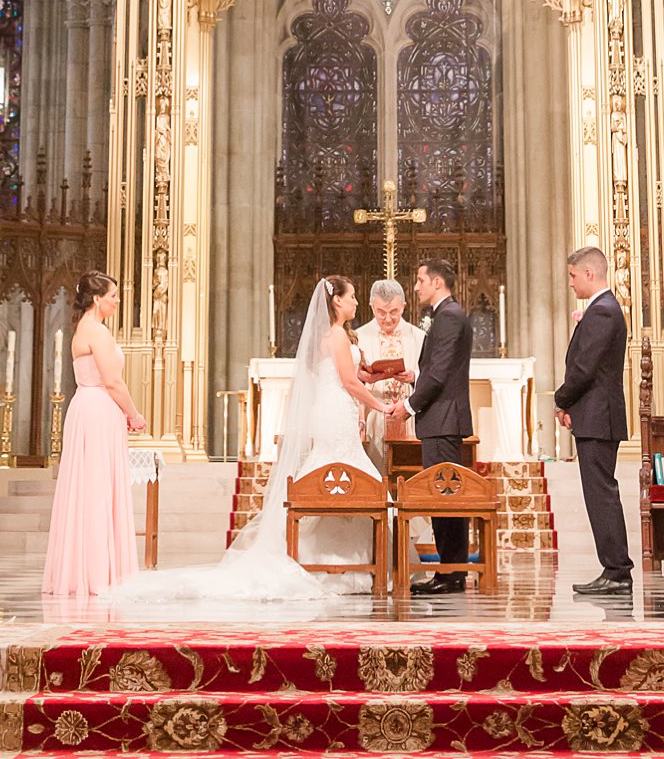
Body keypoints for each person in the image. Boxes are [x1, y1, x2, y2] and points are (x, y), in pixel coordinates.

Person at [108, 276, 397, 606]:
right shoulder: (337, 337)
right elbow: (348, 381)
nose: (356, 302)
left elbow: (349, 375)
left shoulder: (327, 337)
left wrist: (374, 378)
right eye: (352, 297)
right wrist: (382, 405)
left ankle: (329, 559)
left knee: (330, 480)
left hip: (332, 411)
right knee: (347, 482)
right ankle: (346, 562)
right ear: (336, 302)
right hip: (337, 412)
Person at [42, 271, 146, 598]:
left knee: (89, 490)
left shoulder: (83, 329)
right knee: (98, 491)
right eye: (113, 296)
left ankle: (85, 570)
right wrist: (134, 414)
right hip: (98, 408)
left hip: (87, 408)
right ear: (98, 299)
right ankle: (99, 574)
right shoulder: (96, 332)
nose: (117, 301)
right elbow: (113, 381)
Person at [554, 245, 632, 597]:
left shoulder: (602, 312)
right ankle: (613, 569)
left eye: (572, 275)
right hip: (595, 415)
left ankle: (617, 570)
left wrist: (561, 400)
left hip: (599, 417)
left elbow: (584, 369)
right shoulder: (602, 310)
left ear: (589, 274)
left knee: (601, 494)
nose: (570, 282)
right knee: (599, 493)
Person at [408, 258, 475, 595]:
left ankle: (452, 573)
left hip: (443, 417)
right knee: (442, 496)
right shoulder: (447, 315)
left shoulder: (449, 316)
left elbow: (441, 373)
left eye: (420, 280)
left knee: (447, 497)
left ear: (436, 282)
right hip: (440, 417)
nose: (417, 286)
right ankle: (450, 571)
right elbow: (434, 369)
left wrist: (408, 406)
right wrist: (414, 377)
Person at [356, 278, 425, 474]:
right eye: (381, 312)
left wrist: (414, 376)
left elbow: (430, 377)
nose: (387, 318)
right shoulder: (359, 336)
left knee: (407, 476)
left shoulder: (418, 337)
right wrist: (365, 377)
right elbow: (351, 380)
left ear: (403, 306)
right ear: (372, 307)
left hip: (408, 416)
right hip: (373, 417)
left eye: (394, 312)